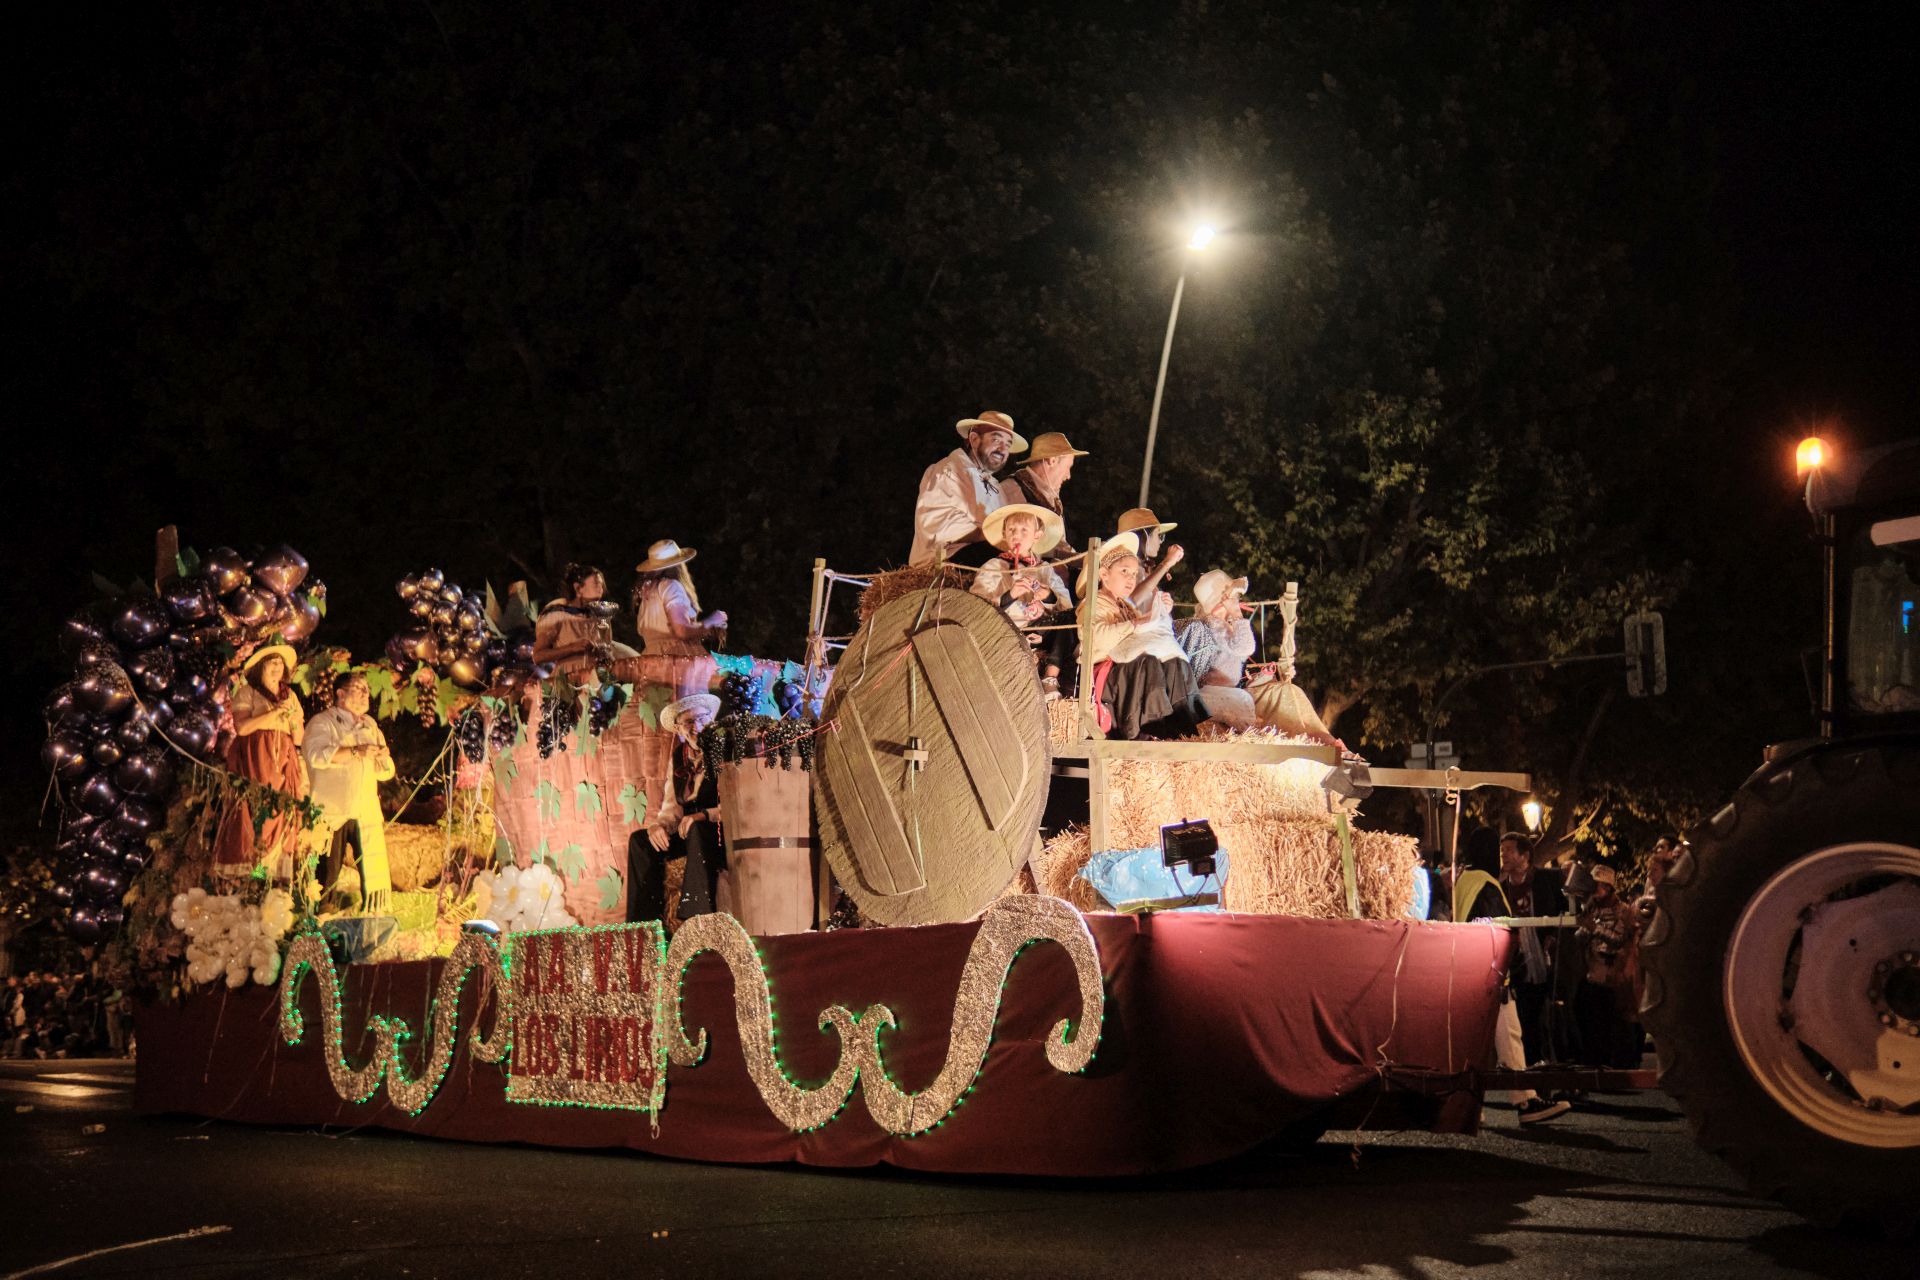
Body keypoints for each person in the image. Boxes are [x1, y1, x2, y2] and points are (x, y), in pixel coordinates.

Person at [1454, 827, 1569, 1124]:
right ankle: (1525, 1102)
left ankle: (1475, 1105)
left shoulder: (1464, 881)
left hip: (1468, 973)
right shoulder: (1487, 885)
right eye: (1498, 850)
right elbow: (1498, 930)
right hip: (1492, 978)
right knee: (1509, 1039)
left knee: (1484, 1046)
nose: (1500, 856)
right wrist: (1514, 963)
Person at [1081, 538, 1205, 739]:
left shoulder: (1127, 606)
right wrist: (1136, 624)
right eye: (1124, 572)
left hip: (1127, 669)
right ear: (1104, 575)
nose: (1131, 579)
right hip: (1106, 676)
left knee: (1174, 662)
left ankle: (1184, 728)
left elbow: (1143, 633)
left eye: (1133, 574)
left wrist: (1162, 611)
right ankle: (1152, 728)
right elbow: (1098, 638)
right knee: (1148, 662)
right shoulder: (1094, 604)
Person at [302, 670, 397, 913]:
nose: (366, 694)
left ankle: (373, 920)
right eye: (359, 688)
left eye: (367, 689)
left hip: (365, 810)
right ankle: (320, 925)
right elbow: (315, 756)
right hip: (333, 812)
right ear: (340, 694)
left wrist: (383, 758)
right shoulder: (323, 722)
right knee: (326, 874)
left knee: (372, 871)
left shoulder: (370, 725)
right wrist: (355, 751)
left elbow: (385, 772)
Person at [628, 694, 726, 926]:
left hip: (718, 831)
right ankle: (643, 925)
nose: (696, 727)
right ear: (680, 730)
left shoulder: (725, 750)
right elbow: (672, 808)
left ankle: (696, 918)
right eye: (688, 723)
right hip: (688, 832)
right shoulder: (679, 758)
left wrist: (703, 815)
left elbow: (734, 807)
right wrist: (658, 827)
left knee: (696, 830)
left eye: (701, 718)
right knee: (640, 841)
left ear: (711, 720)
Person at [213, 644, 307, 881]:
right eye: (271, 663)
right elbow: (243, 727)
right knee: (258, 809)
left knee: (283, 809)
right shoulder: (248, 693)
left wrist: (293, 720)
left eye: (279, 663)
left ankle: (274, 874)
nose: (276, 668)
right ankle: (252, 872)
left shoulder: (291, 696)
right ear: (260, 668)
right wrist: (274, 714)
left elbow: (298, 737)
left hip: (283, 757)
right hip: (256, 757)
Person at [971, 504, 1074, 691]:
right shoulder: (994, 566)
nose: (1016, 535)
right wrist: (1010, 595)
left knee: (1070, 619)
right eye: (1011, 529)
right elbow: (976, 604)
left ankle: (1050, 678)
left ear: (1037, 535)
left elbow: (1066, 606)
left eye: (1024, 529)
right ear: (1004, 534)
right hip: (1004, 629)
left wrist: (1048, 597)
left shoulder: (1045, 569)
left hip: (1038, 631)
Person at [908, 411, 1026, 567]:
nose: (1003, 449)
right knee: (1007, 563)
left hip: (980, 554)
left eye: (1008, 444)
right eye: (996, 439)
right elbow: (937, 523)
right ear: (974, 439)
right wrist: (989, 534)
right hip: (944, 560)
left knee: (1030, 563)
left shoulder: (995, 486)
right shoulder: (948, 470)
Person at [631, 540, 727, 698]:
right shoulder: (671, 586)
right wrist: (712, 620)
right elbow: (681, 631)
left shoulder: (646, 592)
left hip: (651, 659)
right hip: (676, 661)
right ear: (678, 565)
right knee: (686, 712)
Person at [1179, 570, 1258, 729]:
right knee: (1243, 701)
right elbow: (1246, 646)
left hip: (1222, 691)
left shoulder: (1221, 624)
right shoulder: (1214, 625)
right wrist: (1236, 613)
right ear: (1224, 601)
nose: (1238, 600)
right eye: (1235, 597)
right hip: (1210, 694)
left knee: (1249, 697)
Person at [533, 563, 637, 681]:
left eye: (602, 586)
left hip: (597, 679)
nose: (601, 590)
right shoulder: (557, 614)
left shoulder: (600, 616)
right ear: (578, 588)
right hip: (569, 679)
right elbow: (538, 656)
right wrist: (572, 648)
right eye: (596, 584)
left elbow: (607, 650)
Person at [1003, 432, 1089, 557]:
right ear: (1052, 460)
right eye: (1067, 467)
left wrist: (1084, 559)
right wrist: (1078, 560)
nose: (1068, 476)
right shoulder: (1013, 489)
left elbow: (1059, 544)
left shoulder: (1051, 496)